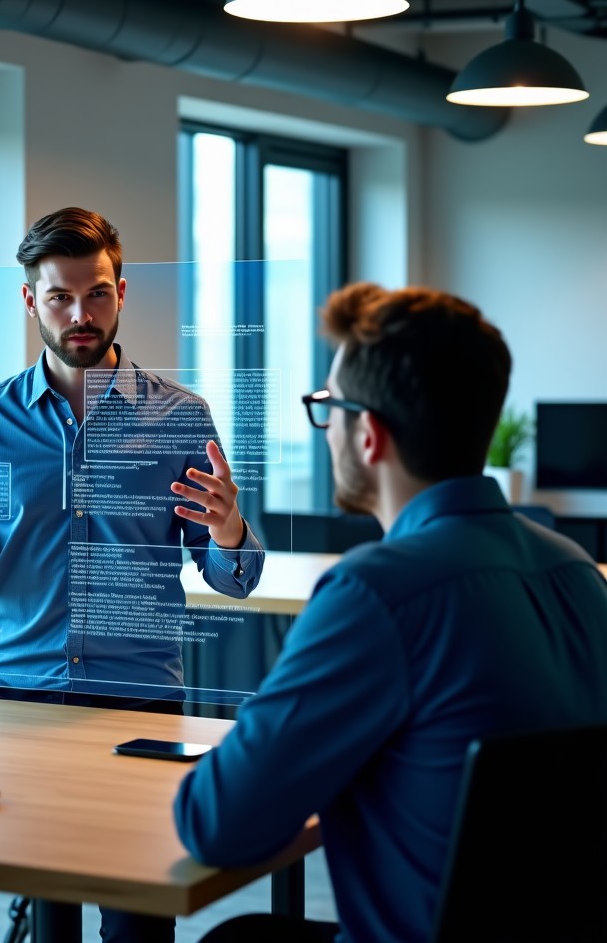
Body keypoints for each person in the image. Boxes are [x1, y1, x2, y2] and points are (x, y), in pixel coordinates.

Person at [0, 207, 265, 943]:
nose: (81, 315)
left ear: (121, 292)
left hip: (138, 708)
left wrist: (229, 531)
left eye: (97, 294)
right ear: (30, 300)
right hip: (8, 700)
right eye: (60, 297)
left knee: (138, 935)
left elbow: (232, 579)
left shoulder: (181, 415)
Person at [173, 282, 607, 943]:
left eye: (328, 407)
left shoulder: (375, 594)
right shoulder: (577, 572)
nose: (326, 430)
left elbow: (216, 822)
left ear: (369, 435)